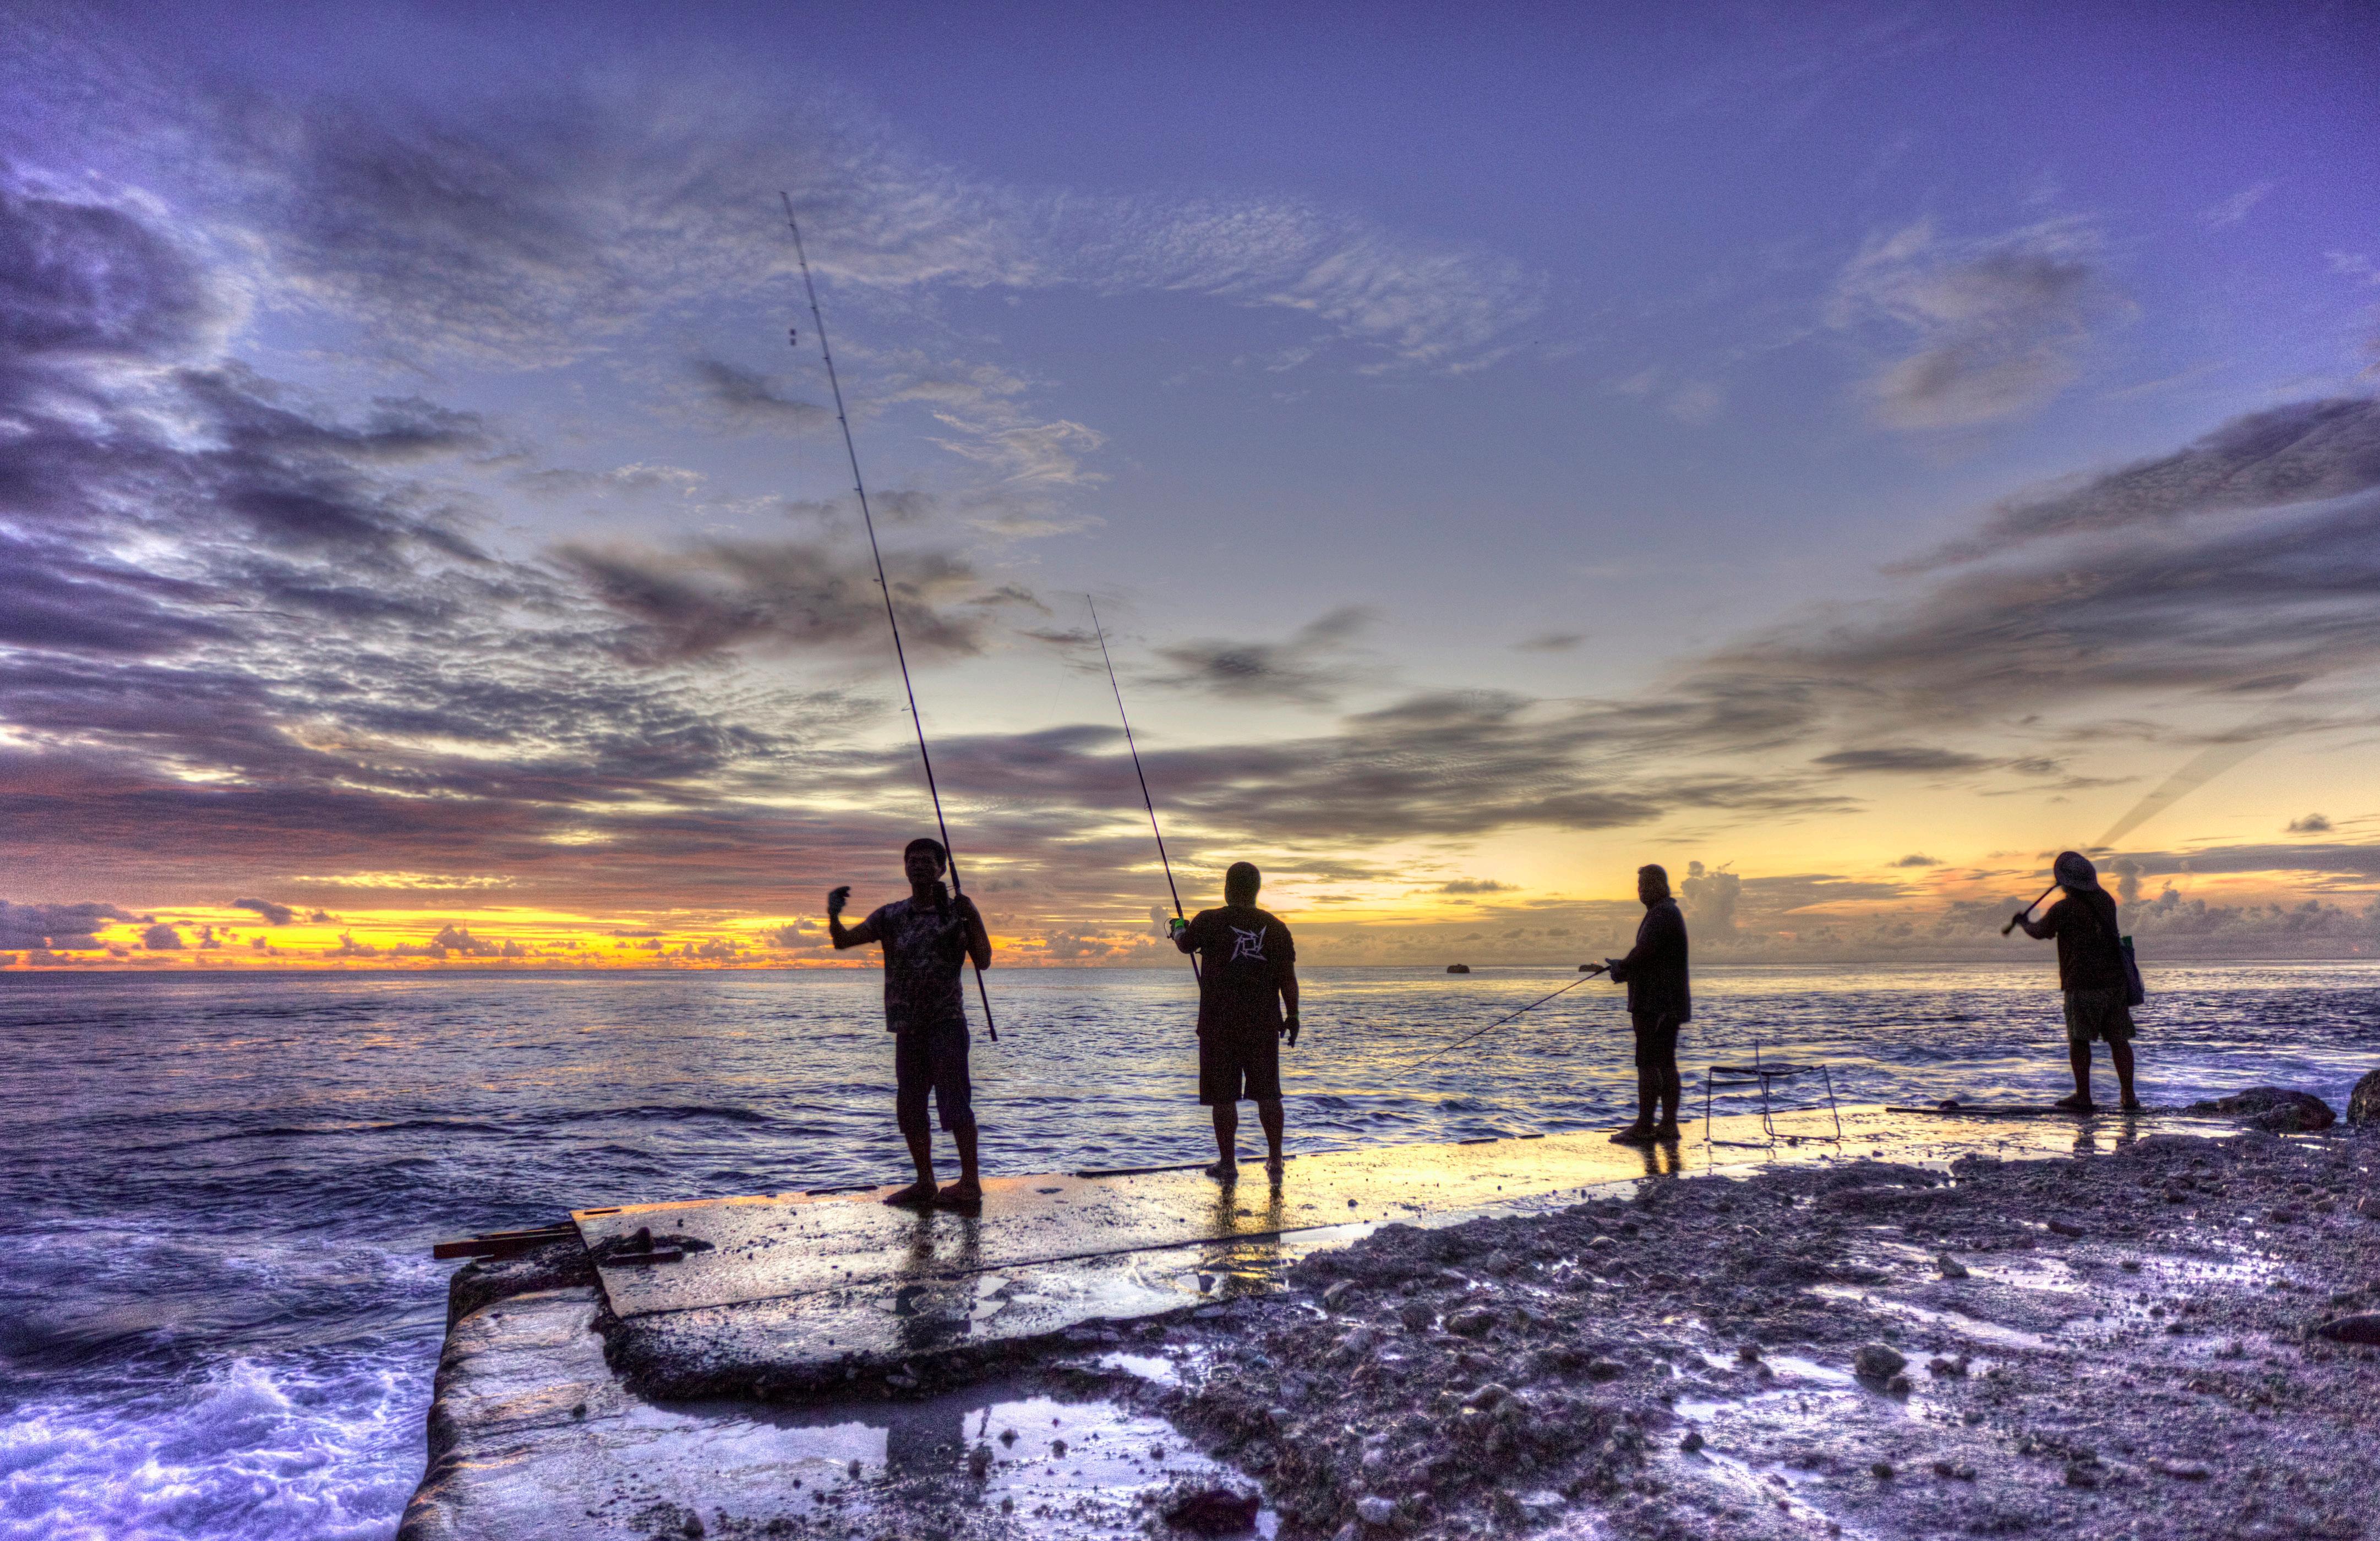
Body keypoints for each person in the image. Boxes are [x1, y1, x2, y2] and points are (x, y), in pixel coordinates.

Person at [828, 837, 993, 1207]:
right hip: (907, 1027)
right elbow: (843, 942)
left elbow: (983, 960)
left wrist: (969, 920)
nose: (918, 866)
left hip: (946, 1024)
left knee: (955, 1105)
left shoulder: (957, 912)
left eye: (927, 861)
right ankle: (925, 1182)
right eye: (912, 861)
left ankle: (970, 1183)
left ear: (941, 869)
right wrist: (833, 914)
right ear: (905, 868)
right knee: (911, 1107)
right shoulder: (891, 915)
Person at [1171, 861, 1300, 1183]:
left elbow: (1186, 944)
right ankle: (1276, 1160)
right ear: (1257, 890)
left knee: (1223, 1097)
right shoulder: (1277, 927)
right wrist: (1294, 1015)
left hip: (1219, 1025)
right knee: (1270, 1094)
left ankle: (1228, 1164)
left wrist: (1176, 927)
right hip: (1263, 1024)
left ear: (1227, 888)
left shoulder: (1209, 920)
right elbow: (1288, 979)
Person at [2013, 850, 2140, 1113]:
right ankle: (2128, 1096)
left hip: (2081, 983)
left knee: (2080, 1041)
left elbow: (2041, 932)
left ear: (2066, 882)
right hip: (2114, 981)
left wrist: (2024, 923)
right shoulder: (2106, 901)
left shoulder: (2064, 908)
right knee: (2119, 1040)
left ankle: (2084, 1096)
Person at [1604, 862, 1689, 1145]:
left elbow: (1644, 953)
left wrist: (1621, 966)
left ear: (1658, 886)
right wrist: (1624, 969)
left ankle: (1645, 1125)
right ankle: (1666, 1126)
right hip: (1667, 1001)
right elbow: (1648, 956)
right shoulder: (1665, 913)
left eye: (1644, 885)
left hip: (1656, 1003)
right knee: (1665, 1062)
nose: (1640, 891)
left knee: (1649, 1062)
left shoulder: (1662, 914)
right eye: (1638, 886)